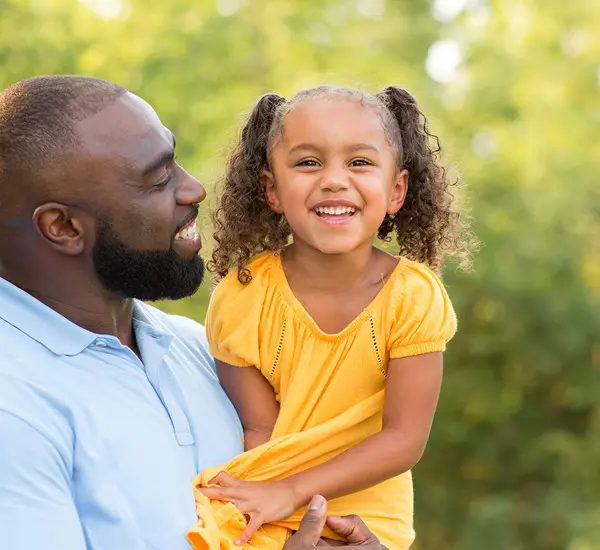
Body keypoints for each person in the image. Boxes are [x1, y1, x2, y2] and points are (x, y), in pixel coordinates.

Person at [0, 75, 384, 550]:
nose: (194, 189)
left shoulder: (201, 348)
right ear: (63, 226)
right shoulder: (13, 408)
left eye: (175, 160)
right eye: (159, 179)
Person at [188, 86, 471, 550]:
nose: (334, 180)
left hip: (371, 517)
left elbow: (404, 439)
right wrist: (278, 515)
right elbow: (262, 433)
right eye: (308, 162)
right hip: (271, 499)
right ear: (272, 190)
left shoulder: (412, 296)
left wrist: (294, 494)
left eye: (359, 162)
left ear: (396, 190)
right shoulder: (242, 297)